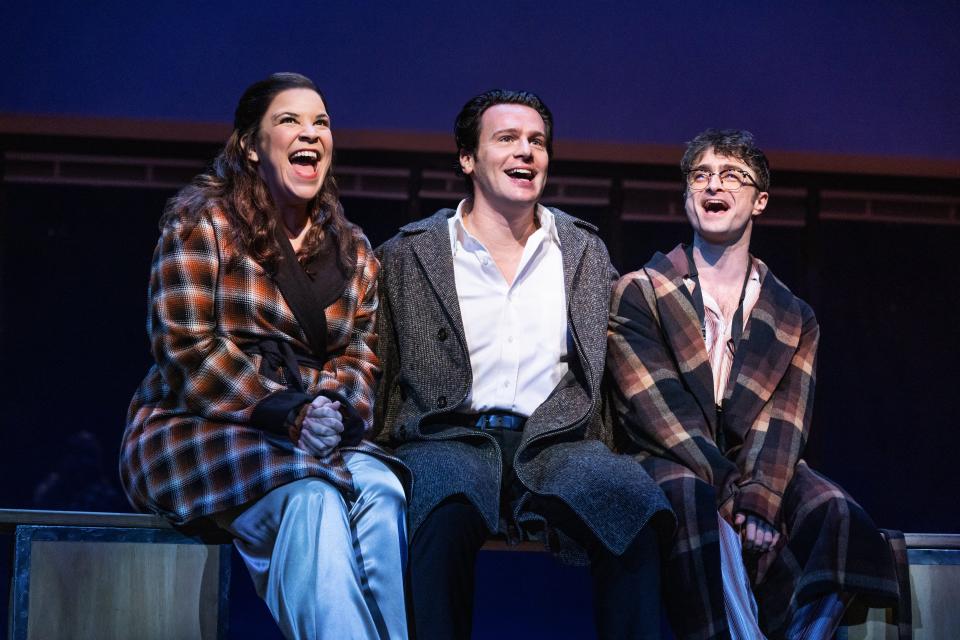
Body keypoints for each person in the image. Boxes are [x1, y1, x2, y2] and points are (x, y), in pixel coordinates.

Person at [119, 72, 408, 640]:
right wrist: (286, 411)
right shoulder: (203, 226)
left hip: (315, 429)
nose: (311, 133)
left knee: (384, 490)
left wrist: (330, 409)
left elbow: (360, 354)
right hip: (202, 421)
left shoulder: (353, 249)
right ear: (251, 145)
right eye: (290, 121)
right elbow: (186, 349)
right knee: (314, 495)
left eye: (321, 122)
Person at [375, 89, 673, 640]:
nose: (526, 152)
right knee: (437, 517)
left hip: (555, 441)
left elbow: (605, 366)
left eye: (537, 141)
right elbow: (381, 366)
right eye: (507, 138)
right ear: (468, 158)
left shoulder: (582, 250)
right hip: (449, 439)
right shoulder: (408, 253)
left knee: (633, 506)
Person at [607, 129, 900, 639]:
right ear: (687, 196)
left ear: (759, 200)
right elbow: (655, 407)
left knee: (837, 514)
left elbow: (785, 418)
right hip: (671, 460)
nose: (712, 185)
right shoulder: (641, 291)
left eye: (730, 176)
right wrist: (730, 492)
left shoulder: (791, 314)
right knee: (691, 499)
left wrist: (760, 496)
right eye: (700, 175)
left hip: (753, 467)